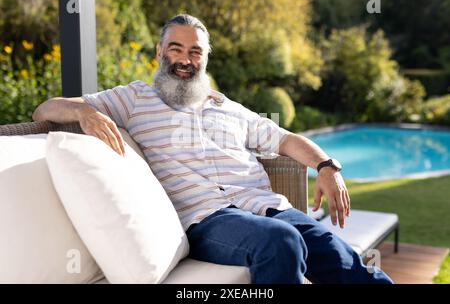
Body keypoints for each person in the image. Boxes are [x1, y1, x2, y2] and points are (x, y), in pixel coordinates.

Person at [33, 14, 393, 284]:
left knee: (343, 259)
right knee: (281, 242)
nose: (185, 59)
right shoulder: (133, 99)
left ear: (205, 58)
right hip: (207, 221)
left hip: (269, 208)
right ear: (160, 51)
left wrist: (328, 166)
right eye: (176, 48)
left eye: (195, 51)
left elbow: (287, 140)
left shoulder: (229, 108)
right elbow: (45, 109)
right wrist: (83, 112)